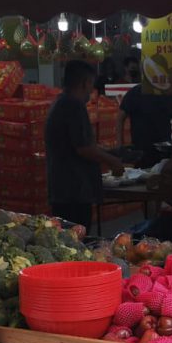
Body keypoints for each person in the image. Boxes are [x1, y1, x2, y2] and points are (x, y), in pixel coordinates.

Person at [45, 60, 126, 228]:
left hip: (63, 188)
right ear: (85, 83)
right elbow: (83, 148)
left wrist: (110, 152)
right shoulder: (73, 106)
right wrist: (113, 161)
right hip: (73, 190)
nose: (92, 89)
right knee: (76, 240)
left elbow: (79, 143)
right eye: (91, 84)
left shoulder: (61, 103)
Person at [118, 59, 172, 168]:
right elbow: (120, 118)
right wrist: (120, 146)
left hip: (164, 151)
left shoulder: (170, 94)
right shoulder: (134, 93)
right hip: (140, 151)